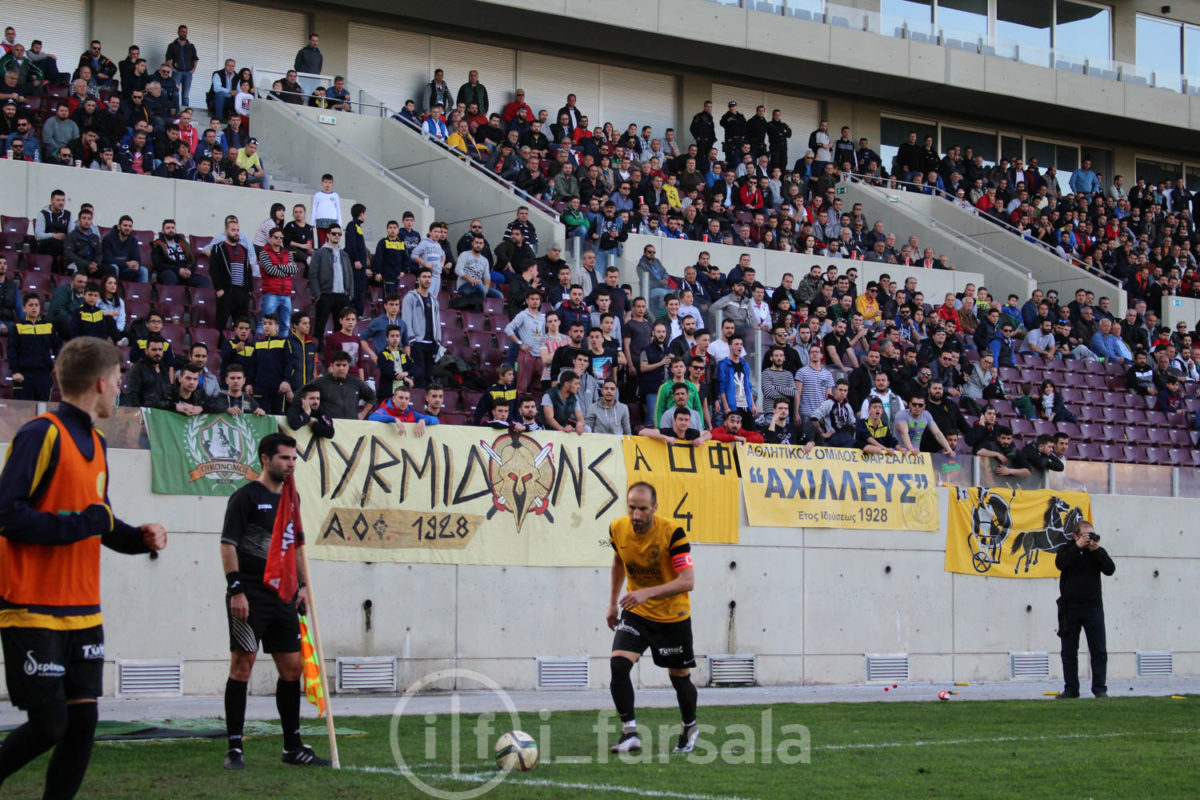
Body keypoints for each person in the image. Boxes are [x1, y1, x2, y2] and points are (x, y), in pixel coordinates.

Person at [0, 337, 167, 798]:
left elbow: (99, 522)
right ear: (99, 382)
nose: (120, 389)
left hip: (83, 609)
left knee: (82, 722)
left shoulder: (95, 441)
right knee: (51, 724)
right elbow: (7, 515)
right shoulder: (40, 433)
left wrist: (138, 538)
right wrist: (86, 521)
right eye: (118, 380)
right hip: (31, 605)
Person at [221, 433, 331, 770]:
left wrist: (301, 586)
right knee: (243, 665)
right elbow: (227, 545)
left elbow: (296, 544)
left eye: (294, 459)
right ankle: (235, 749)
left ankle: (292, 747)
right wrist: (236, 589)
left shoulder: (291, 496)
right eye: (285, 458)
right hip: (250, 593)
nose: (291, 464)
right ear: (266, 458)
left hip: (282, 594)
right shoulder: (245, 497)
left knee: (292, 669)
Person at [606, 482, 699, 755]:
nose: (636, 515)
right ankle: (630, 733)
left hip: (673, 616)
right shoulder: (617, 528)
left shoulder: (673, 534)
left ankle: (689, 727)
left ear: (654, 508)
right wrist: (612, 603)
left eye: (643, 509)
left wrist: (648, 593)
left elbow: (688, 581)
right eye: (632, 507)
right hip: (637, 611)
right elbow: (618, 561)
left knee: (679, 677)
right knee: (618, 666)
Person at [1055, 519, 1115, 699]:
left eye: (1092, 535)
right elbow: (1061, 564)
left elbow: (1110, 569)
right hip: (1070, 608)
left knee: (1098, 650)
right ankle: (1071, 689)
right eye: (1085, 536)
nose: (1089, 539)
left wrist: (1096, 550)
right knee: (1069, 651)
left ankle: (1099, 689)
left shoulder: (1096, 552)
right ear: (1075, 536)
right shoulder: (1067, 549)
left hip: (1093, 607)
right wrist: (1077, 547)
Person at [308, 223, 353, 343]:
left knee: (340, 329)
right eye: (334, 233)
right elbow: (313, 274)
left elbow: (350, 274)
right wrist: (318, 294)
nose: (337, 236)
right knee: (320, 326)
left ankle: (337, 352)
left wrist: (350, 294)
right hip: (325, 295)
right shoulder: (320, 253)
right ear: (328, 235)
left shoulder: (344, 254)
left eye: (339, 234)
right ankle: (318, 352)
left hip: (342, 295)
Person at [8, 294, 58, 401]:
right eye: (30, 305)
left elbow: (58, 347)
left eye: (36, 305)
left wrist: (58, 364)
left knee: (42, 410)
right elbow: (11, 351)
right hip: (22, 375)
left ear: (40, 307)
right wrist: (15, 371)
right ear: (24, 308)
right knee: (22, 412)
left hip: (44, 375)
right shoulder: (17, 327)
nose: (34, 308)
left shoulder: (48, 326)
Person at [310, 352, 375, 419]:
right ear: (332, 365)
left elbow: (372, 397)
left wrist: (363, 414)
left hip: (351, 425)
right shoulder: (320, 382)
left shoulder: (356, 382)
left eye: (344, 365)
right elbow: (302, 395)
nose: (341, 368)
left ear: (348, 366)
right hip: (329, 426)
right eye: (338, 365)